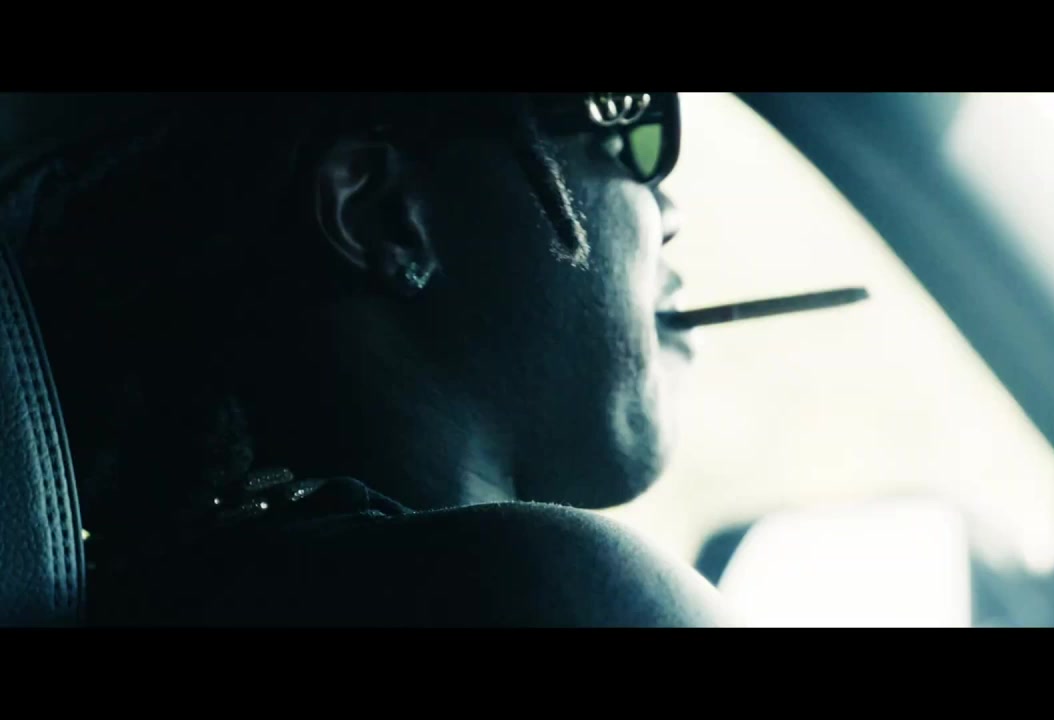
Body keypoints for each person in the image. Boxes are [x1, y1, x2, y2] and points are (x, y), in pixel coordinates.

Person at [0, 92, 729, 626]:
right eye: (622, 117)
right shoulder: (539, 592)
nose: (671, 211)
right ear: (385, 216)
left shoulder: (179, 594)